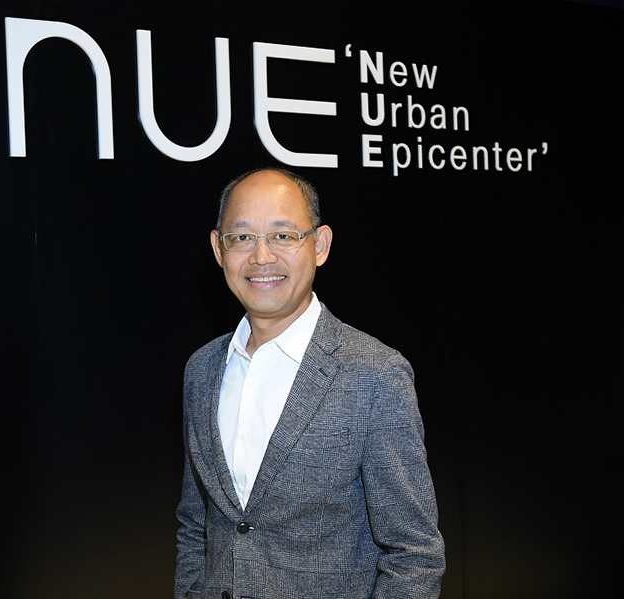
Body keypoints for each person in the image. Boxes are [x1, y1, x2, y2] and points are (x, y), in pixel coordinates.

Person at [175, 168, 445, 599]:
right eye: (241, 237)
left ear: (319, 245)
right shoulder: (202, 369)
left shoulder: (374, 373)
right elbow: (195, 525)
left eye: (283, 236)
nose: (261, 256)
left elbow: (414, 554)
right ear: (218, 248)